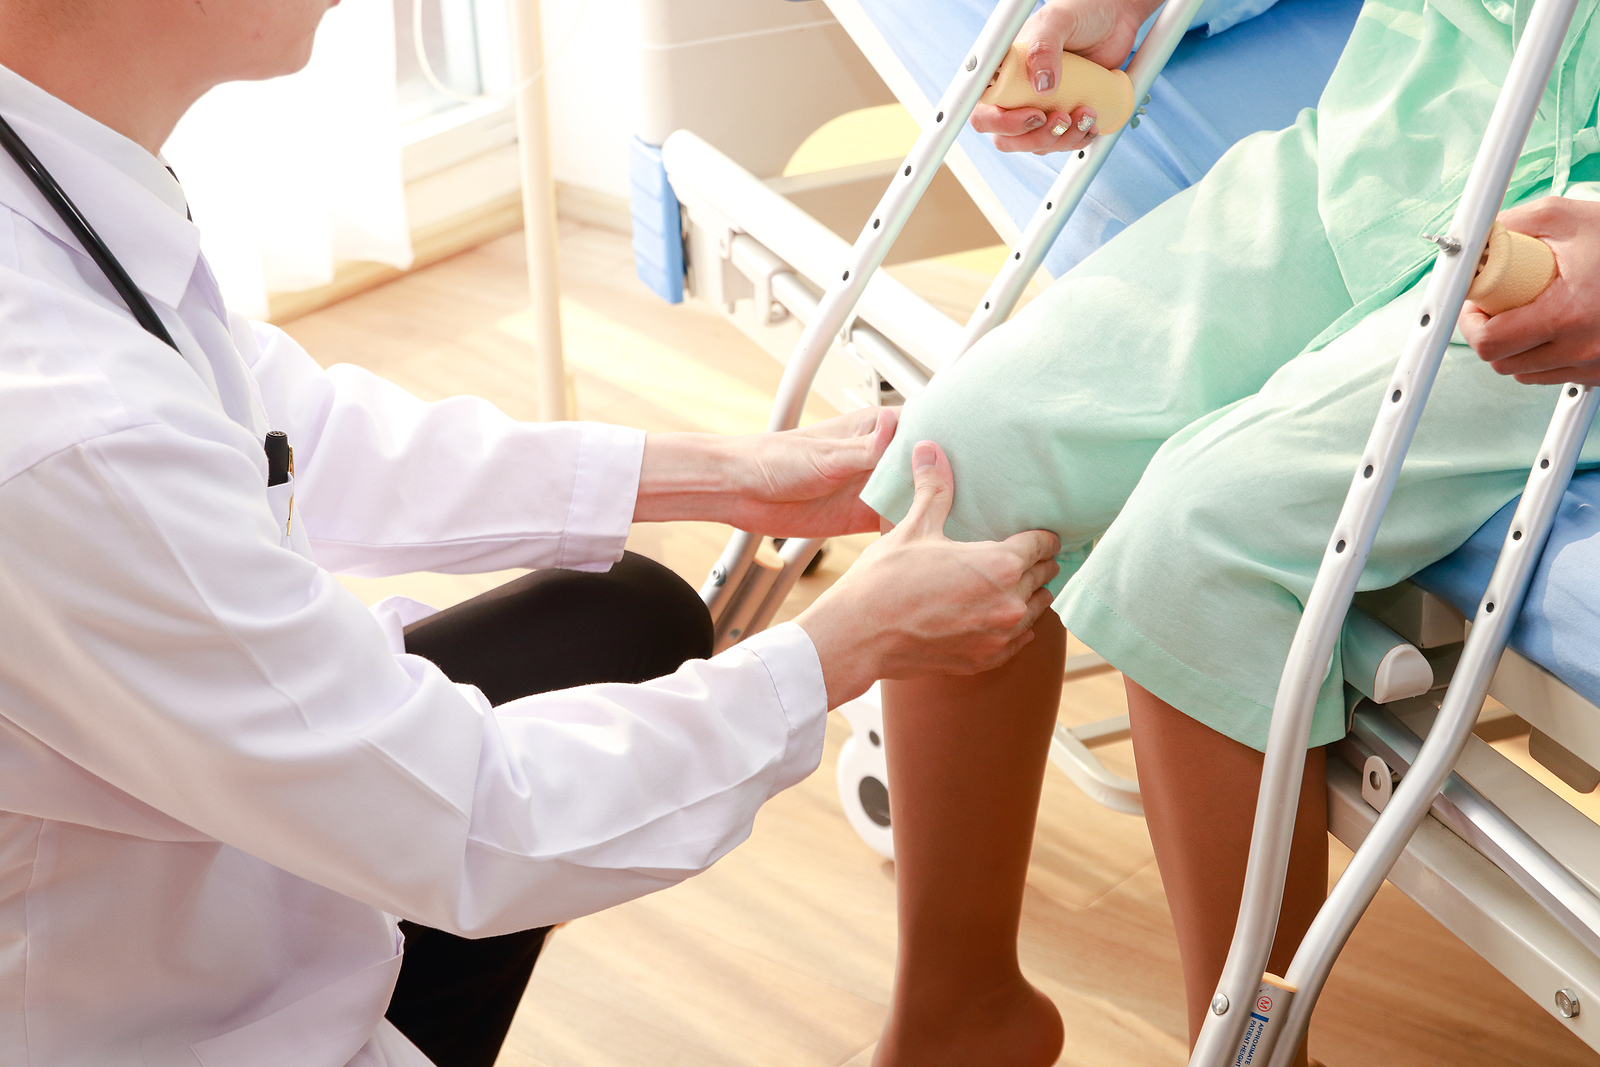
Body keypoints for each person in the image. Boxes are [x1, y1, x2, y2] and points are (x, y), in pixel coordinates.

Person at [0, 3, 1065, 1066]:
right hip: (141, 1017)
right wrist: (842, 648)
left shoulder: (59, 177)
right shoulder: (70, 430)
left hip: (205, 855)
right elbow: (474, 820)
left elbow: (292, 433)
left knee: (626, 615)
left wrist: (728, 475)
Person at [853, 0, 1600, 1064]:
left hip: (1567, 273)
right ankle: (955, 1018)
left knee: (1196, 548)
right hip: (1402, 137)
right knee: (964, 458)